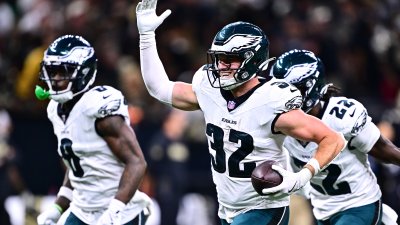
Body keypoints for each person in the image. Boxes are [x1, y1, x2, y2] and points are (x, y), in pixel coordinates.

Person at [136, 0, 346, 224]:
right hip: (229, 208)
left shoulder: (270, 101)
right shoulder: (210, 90)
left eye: (230, 59)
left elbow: (332, 139)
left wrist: (301, 177)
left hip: (264, 207)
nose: (221, 65)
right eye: (219, 58)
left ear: (253, 59)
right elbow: (159, 88)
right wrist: (146, 36)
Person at [270, 49, 400, 225]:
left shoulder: (341, 116)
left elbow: (384, 150)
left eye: (291, 91)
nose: (283, 99)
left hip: (359, 205)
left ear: (310, 87)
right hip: (323, 212)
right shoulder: (280, 126)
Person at [35, 35, 151, 225]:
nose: (55, 79)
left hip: (122, 211)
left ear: (84, 72)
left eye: (63, 72)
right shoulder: (55, 110)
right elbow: (79, 166)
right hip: (82, 211)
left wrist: (114, 211)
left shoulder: (99, 109)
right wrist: (57, 208)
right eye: (52, 71)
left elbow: (137, 163)